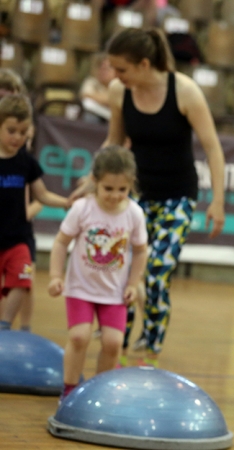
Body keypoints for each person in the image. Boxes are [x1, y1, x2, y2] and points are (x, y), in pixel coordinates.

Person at [71, 28, 226, 368]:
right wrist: (90, 181)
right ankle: (118, 344)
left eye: (122, 69)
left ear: (143, 64)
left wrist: (217, 201)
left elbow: (213, 148)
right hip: (134, 198)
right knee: (124, 273)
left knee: (156, 274)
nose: (115, 76)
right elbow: (114, 141)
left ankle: (151, 349)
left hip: (177, 198)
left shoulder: (184, 91)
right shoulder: (118, 91)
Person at [48, 146, 148, 401]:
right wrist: (55, 276)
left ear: (130, 185)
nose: (115, 196)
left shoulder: (134, 213)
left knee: (114, 343)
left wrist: (133, 283)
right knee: (79, 337)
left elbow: (140, 251)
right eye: (108, 188)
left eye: (122, 190)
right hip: (80, 288)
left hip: (114, 292)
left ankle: (100, 393)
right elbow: (61, 242)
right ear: (95, 182)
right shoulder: (82, 208)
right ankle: (70, 390)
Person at [0, 94, 69, 330]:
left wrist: (66, 202)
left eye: (23, 132)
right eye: (11, 130)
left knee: (22, 279)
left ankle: (6, 325)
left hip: (18, 237)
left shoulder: (26, 162)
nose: (17, 137)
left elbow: (42, 194)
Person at [0, 70, 41, 332]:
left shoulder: (22, 149)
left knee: (24, 278)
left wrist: (30, 211)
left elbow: (33, 190)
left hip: (18, 223)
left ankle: (25, 331)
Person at [80, 53, 116, 123]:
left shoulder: (119, 84)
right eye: (101, 68)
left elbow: (114, 100)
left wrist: (96, 97)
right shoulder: (91, 81)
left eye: (106, 69)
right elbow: (85, 95)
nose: (103, 72)